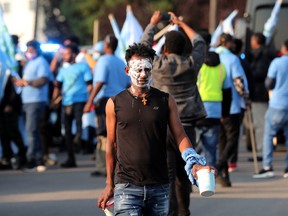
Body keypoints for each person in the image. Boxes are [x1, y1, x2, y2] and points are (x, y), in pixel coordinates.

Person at [97, 42, 213, 215]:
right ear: (127, 71)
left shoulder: (166, 100)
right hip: (127, 186)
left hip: (159, 186)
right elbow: (111, 146)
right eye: (138, 69)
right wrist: (109, 183)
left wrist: (193, 161)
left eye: (147, 69)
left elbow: (180, 135)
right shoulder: (114, 103)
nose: (143, 74)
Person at [140, 11, 207, 215]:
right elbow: (200, 42)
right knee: (185, 172)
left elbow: (143, 48)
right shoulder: (191, 64)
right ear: (184, 48)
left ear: (165, 48)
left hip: (162, 126)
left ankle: (169, 212)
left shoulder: (158, 64)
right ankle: (183, 211)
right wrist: (180, 23)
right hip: (187, 127)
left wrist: (152, 24)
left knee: (167, 175)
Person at [83, 34, 130, 177]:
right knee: (117, 133)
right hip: (122, 99)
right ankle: (117, 165)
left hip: (107, 100)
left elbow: (100, 82)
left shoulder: (103, 61)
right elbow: (127, 83)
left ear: (107, 45)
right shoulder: (121, 62)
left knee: (104, 134)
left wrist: (90, 101)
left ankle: (104, 167)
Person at [215, 33, 249, 187]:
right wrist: (246, 97)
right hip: (232, 104)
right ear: (227, 43)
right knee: (232, 138)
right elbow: (238, 81)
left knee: (222, 139)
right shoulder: (232, 59)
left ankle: (224, 176)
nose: (234, 45)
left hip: (215, 103)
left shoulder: (212, 56)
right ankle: (221, 164)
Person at [52, 44, 93, 168]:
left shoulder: (83, 67)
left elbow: (89, 85)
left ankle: (78, 140)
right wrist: (53, 100)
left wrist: (89, 101)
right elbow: (57, 86)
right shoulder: (63, 70)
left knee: (79, 125)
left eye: (67, 53)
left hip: (80, 100)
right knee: (67, 130)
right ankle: (71, 158)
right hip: (66, 102)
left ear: (74, 55)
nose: (64, 56)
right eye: (63, 54)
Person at [253, 39, 288, 179]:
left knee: (268, 135)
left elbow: (269, 83)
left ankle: (267, 166)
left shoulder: (277, 62)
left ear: (284, 48)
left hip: (277, 104)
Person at [15, 40, 50, 172]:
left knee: (31, 131)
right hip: (27, 101)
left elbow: (43, 80)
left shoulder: (41, 62)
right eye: (28, 49)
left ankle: (32, 159)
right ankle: (38, 158)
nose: (29, 52)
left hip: (36, 100)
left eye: (31, 49)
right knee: (32, 131)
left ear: (37, 49)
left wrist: (26, 82)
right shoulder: (30, 63)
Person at [195, 51, 231, 167]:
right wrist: (225, 113)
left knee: (192, 147)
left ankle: (190, 175)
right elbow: (227, 93)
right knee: (211, 149)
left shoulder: (199, 68)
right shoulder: (222, 68)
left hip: (198, 111)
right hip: (215, 112)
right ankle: (209, 178)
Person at [246, 32, 277, 160]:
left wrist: (249, 73)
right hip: (264, 94)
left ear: (256, 41)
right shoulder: (268, 54)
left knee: (260, 124)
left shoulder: (260, 56)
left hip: (259, 94)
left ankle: (261, 152)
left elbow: (259, 74)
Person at [0, 64, 27, 170]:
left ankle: (22, 156)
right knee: (3, 134)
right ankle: (7, 158)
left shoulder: (9, 73)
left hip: (10, 109)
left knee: (13, 133)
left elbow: (15, 91)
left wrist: (10, 104)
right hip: (2, 108)